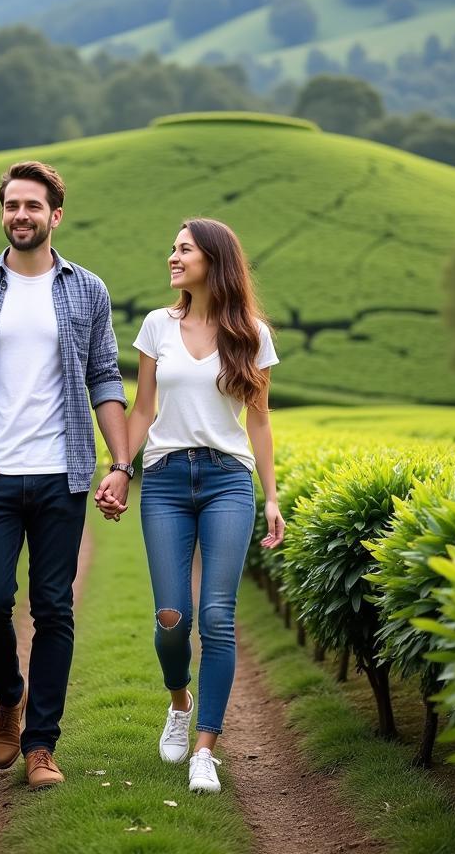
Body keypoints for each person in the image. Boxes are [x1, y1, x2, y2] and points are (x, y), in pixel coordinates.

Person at [0, 160, 131, 791]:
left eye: (33, 206)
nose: (22, 215)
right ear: (3, 213)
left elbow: (105, 377)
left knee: (53, 610)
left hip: (60, 473)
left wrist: (120, 463)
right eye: (12, 205)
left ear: (55, 216)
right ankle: (8, 696)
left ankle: (41, 744)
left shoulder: (86, 290)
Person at [107, 217, 284, 794]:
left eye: (184, 249)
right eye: (173, 247)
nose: (173, 257)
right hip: (164, 479)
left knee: (217, 618)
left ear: (214, 259)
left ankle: (206, 747)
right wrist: (120, 468)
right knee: (172, 618)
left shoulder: (251, 333)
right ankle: (179, 701)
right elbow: (141, 409)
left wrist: (272, 496)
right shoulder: (158, 325)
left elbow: (259, 421)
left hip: (227, 481)